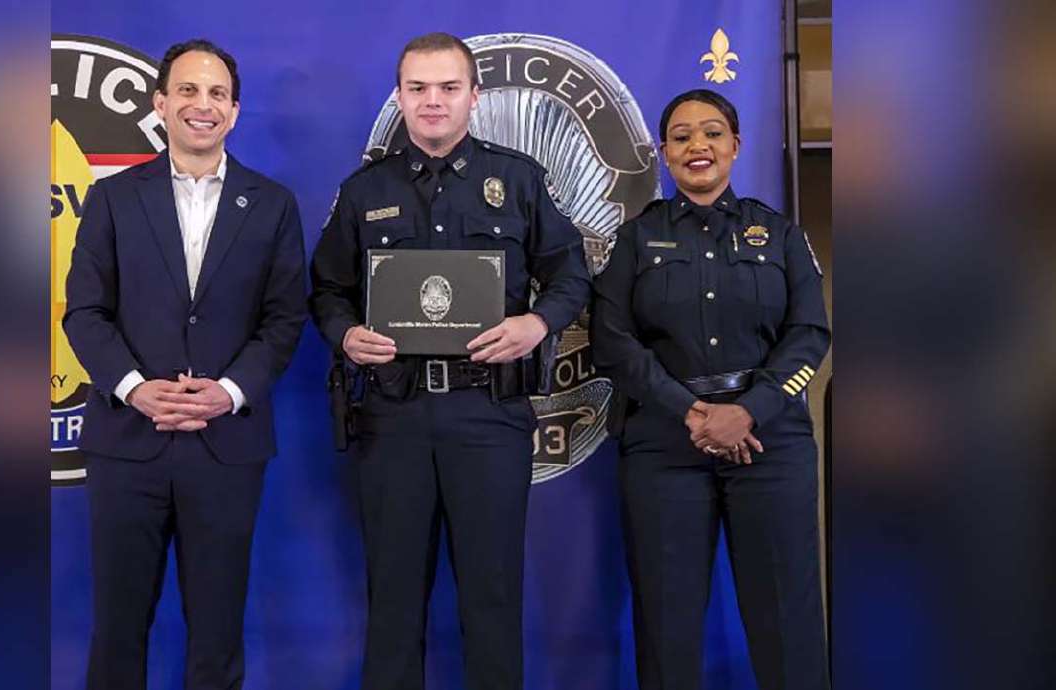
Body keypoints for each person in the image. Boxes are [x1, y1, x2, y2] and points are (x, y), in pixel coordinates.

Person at [309, 32, 590, 690]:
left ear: (474, 96)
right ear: (400, 97)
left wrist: (535, 323)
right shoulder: (364, 191)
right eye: (418, 88)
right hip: (393, 414)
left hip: (488, 412)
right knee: (393, 601)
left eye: (448, 87)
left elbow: (571, 275)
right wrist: (346, 335)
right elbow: (326, 290)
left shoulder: (518, 181)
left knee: (492, 599)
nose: (432, 100)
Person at [62, 38, 306, 690]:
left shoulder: (273, 204)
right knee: (118, 631)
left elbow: (285, 320)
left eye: (218, 94)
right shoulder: (113, 199)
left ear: (235, 110)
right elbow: (84, 313)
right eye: (189, 91)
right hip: (127, 443)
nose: (204, 105)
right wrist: (134, 388)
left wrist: (230, 391)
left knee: (217, 634)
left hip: (226, 447)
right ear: (161, 104)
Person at [591, 89, 831, 690]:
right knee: (666, 622)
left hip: (769, 444)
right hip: (665, 445)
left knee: (787, 618)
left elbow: (809, 335)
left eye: (713, 133)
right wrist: (690, 410)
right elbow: (612, 343)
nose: (698, 145)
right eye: (681, 137)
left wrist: (748, 411)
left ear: (736, 145)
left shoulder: (780, 235)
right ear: (664, 153)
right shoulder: (635, 240)